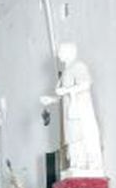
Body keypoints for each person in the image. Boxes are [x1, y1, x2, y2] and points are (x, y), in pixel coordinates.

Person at [42, 42, 104, 174]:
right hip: (69, 113)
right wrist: (52, 99)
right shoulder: (65, 72)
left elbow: (85, 84)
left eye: (61, 51)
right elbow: (62, 95)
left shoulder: (78, 66)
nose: (58, 54)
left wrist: (64, 91)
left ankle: (85, 164)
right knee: (72, 137)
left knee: (80, 135)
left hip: (79, 110)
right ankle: (76, 163)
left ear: (69, 52)